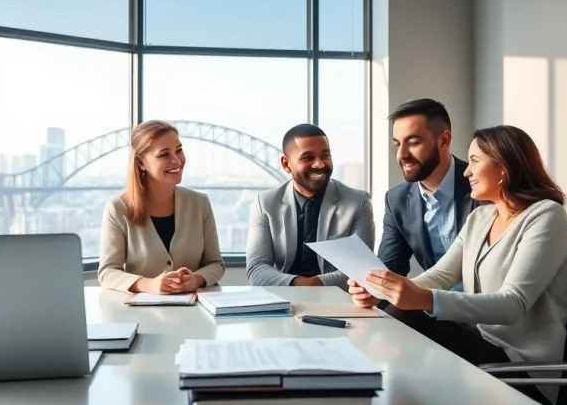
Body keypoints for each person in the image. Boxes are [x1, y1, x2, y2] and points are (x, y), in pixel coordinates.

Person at [349, 125, 567, 405]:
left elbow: (513, 304)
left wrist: (421, 298)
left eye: (475, 161)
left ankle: (360, 389)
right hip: (479, 342)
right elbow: (441, 275)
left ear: (504, 166)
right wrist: (383, 291)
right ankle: (376, 393)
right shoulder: (481, 217)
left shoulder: (546, 215)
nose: (466, 171)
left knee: (415, 314)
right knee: (408, 313)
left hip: (519, 364)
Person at [98, 120, 225, 293]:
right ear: (141, 162)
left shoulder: (200, 203)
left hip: (195, 306)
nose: (177, 160)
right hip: (141, 308)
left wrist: (196, 279)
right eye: (164, 154)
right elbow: (107, 272)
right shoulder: (117, 209)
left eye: (179, 150)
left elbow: (216, 264)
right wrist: (148, 284)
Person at [246, 124, 375, 290]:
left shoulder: (358, 202)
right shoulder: (266, 203)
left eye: (326, 155)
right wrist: (299, 285)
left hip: (337, 298)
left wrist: (313, 285)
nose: (320, 164)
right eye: (308, 158)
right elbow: (257, 270)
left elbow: (362, 268)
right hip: (284, 296)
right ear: (286, 164)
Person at [377, 99, 479, 277]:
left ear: (444, 140)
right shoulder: (396, 200)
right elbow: (390, 268)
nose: (401, 155)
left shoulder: (482, 185)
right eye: (397, 144)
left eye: (413, 143)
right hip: (431, 293)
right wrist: (371, 285)